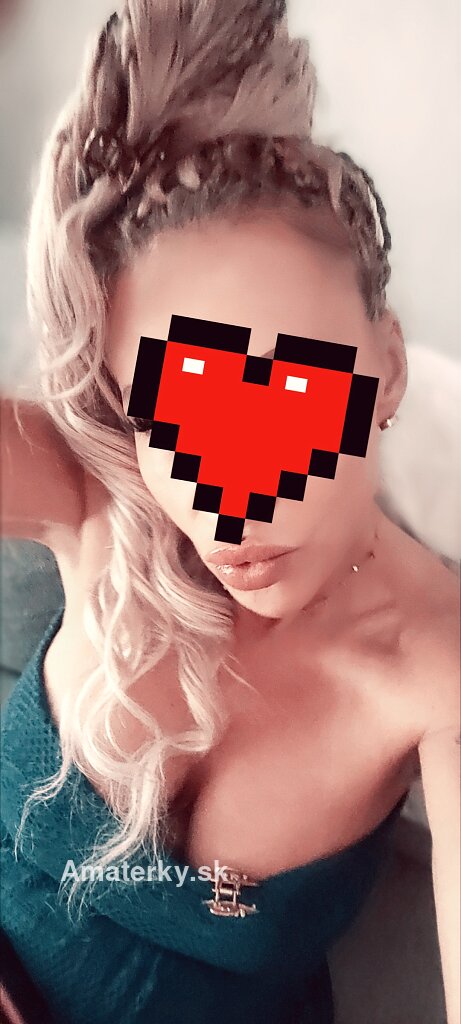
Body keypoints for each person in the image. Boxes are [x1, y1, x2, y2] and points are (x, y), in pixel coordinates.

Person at [1, 2, 459, 1023]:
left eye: (287, 395)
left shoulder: (434, 664)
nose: (230, 502)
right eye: (176, 416)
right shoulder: (96, 485)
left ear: (385, 363)